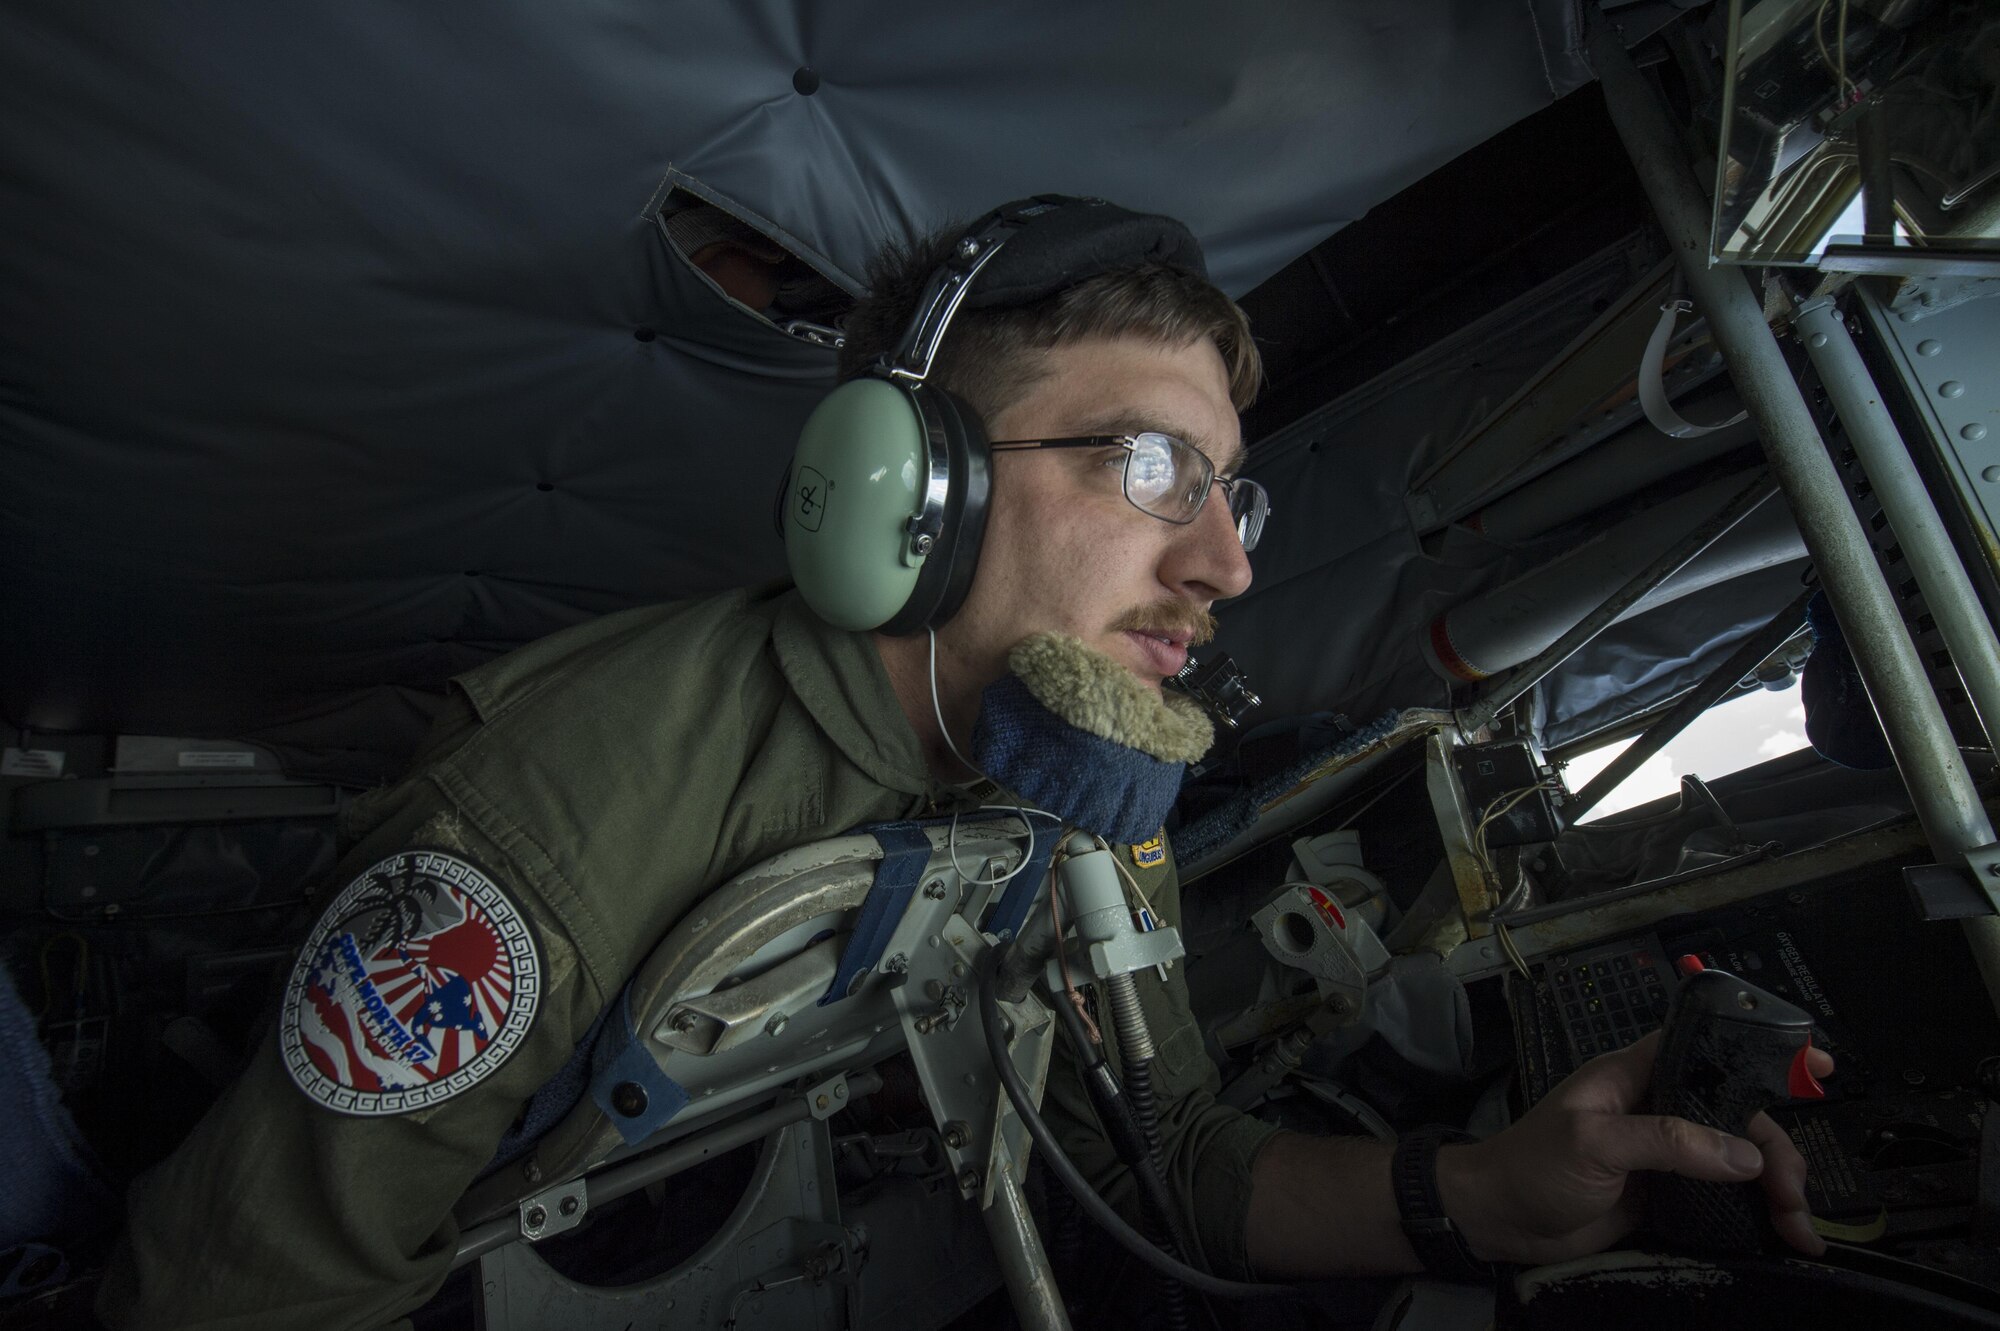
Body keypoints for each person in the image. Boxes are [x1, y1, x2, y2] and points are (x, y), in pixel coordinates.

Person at [96, 197, 1828, 1329]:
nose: (1225, 566)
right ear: (904, 488)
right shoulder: (570, 804)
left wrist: (1494, 1195)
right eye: (1153, 469)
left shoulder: (1084, 777)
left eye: (1236, 496)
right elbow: (228, 1301)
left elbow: (1186, 1166)